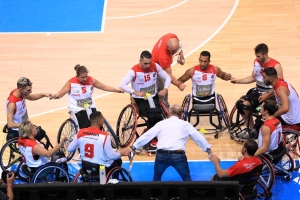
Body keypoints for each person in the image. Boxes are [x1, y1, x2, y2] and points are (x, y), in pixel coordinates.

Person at [130, 104, 213, 181]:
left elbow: (147, 135)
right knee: (187, 180)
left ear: (169, 113)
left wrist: (134, 146)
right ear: (181, 115)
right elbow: (198, 137)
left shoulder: (161, 124)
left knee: (156, 180)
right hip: (178, 155)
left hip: (161, 155)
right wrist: (208, 150)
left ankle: (154, 196)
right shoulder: (186, 124)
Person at [230, 43, 284, 137]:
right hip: (258, 91)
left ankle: (263, 132)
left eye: (258, 56)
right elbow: (252, 77)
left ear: (265, 54)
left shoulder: (276, 66)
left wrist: (267, 95)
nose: (257, 58)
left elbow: (280, 86)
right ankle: (251, 129)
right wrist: (237, 81)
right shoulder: (256, 62)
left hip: (271, 94)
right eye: (256, 56)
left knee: (263, 113)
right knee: (241, 104)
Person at [53, 64, 124, 129]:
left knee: (99, 123)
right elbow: (60, 94)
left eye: (86, 76)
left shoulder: (91, 80)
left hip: (89, 106)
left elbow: (105, 87)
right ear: (77, 76)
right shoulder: (71, 83)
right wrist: (56, 95)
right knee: (86, 125)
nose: (85, 79)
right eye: (82, 77)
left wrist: (117, 90)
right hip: (77, 108)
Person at [119, 50, 171, 130]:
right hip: (139, 99)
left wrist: (165, 89)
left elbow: (168, 77)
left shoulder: (155, 66)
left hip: (151, 97)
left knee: (158, 116)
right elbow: (122, 85)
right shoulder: (133, 71)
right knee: (151, 116)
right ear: (140, 61)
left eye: (150, 63)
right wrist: (136, 92)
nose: (148, 65)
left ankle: (156, 135)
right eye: (145, 63)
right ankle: (151, 136)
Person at [6, 77, 52, 141]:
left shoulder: (20, 93)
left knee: (42, 132)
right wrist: (26, 126)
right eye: (28, 90)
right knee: (39, 135)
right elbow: (10, 124)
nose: (30, 92)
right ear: (21, 89)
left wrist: (44, 95)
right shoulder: (12, 104)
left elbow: (31, 97)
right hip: (19, 130)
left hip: (25, 126)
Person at [152, 33, 186, 108]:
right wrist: (179, 85)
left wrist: (181, 54)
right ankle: (164, 108)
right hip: (156, 68)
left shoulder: (171, 36)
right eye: (173, 51)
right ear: (167, 47)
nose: (174, 53)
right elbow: (169, 75)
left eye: (176, 50)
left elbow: (179, 44)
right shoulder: (164, 58)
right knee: (162, 89)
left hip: (156, 57)